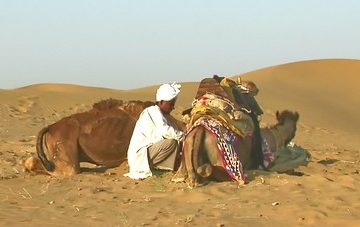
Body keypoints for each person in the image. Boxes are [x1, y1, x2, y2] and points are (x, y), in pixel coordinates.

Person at [124, 82, 185, 180]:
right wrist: (184, 136)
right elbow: (166, 131)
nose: (173, 107)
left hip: (151, 151)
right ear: (161, 102)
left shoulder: (162, 115)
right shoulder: (153, 111)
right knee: (171, 142)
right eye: (171, 104)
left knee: (174, 142)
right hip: (140, 155)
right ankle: (153, 166)